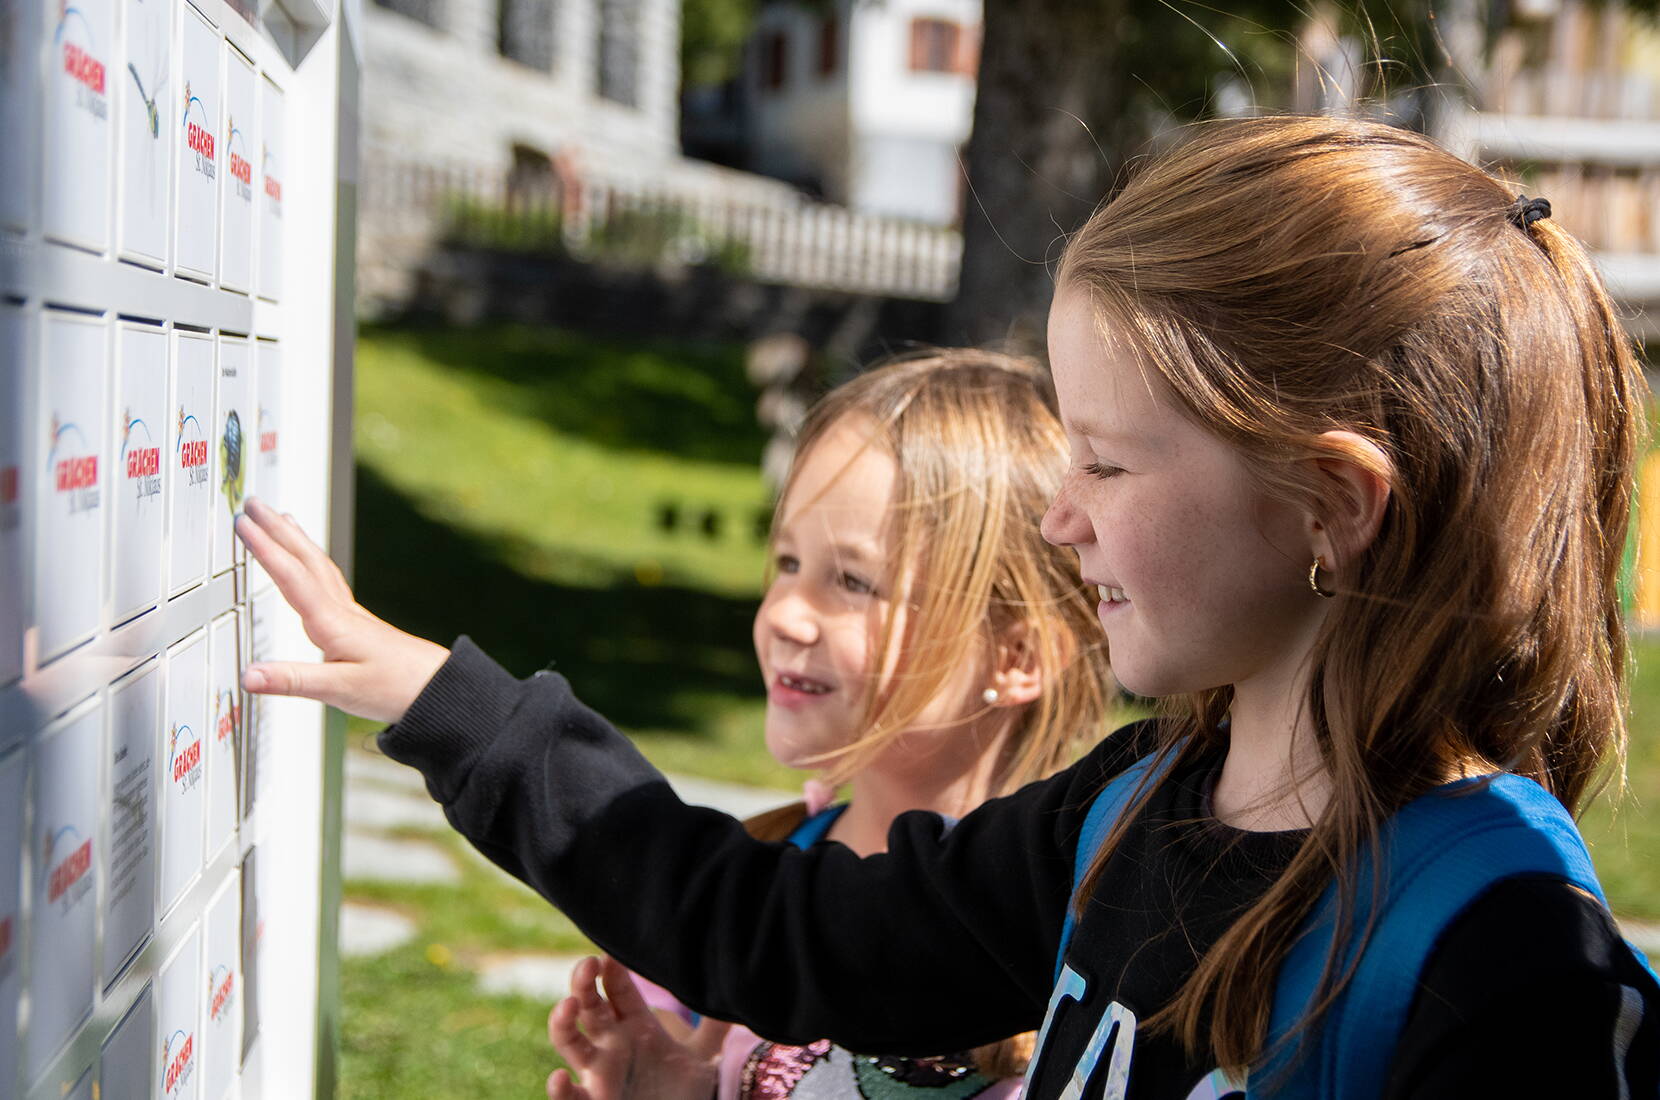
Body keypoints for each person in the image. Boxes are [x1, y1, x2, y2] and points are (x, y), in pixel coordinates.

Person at [237, 116, 1660, 1098]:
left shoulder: (1511, 953)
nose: (1060, 515)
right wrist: (456, 712)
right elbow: (778, 934)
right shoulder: (1127, 811)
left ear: (1333, 505)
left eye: (1106, 459)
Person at [540, 350, 1114, 1099]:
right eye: (784, 561)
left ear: (1016, 654)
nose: (784, 613)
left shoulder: (1084, 950)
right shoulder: (738, 889)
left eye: (851, 580)